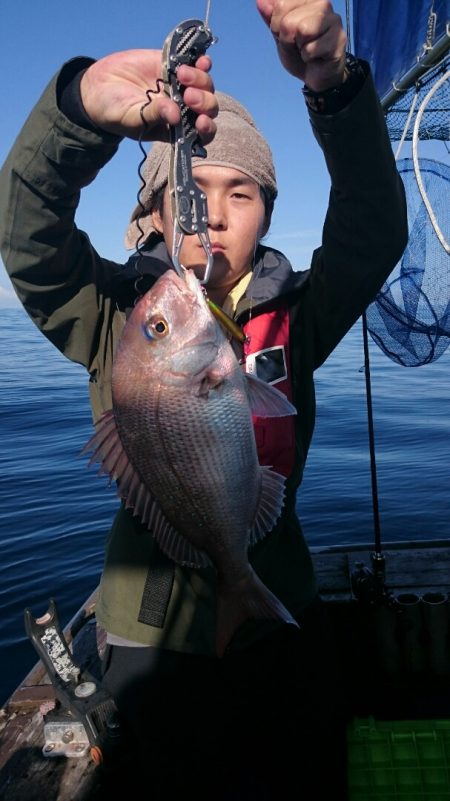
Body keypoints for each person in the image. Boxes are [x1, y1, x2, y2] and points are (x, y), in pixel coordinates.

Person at [0, 1, 408, 798]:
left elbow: (372, 230)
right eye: (195, 190)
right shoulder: (116, 314)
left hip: (279, 596)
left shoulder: (299, 315)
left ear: (267, 214)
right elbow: (30, 239)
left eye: (242, 193)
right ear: (153, 212)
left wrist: (332, 86)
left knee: (306, 769)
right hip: (151, 632)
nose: (213, 214)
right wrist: (79, 111)